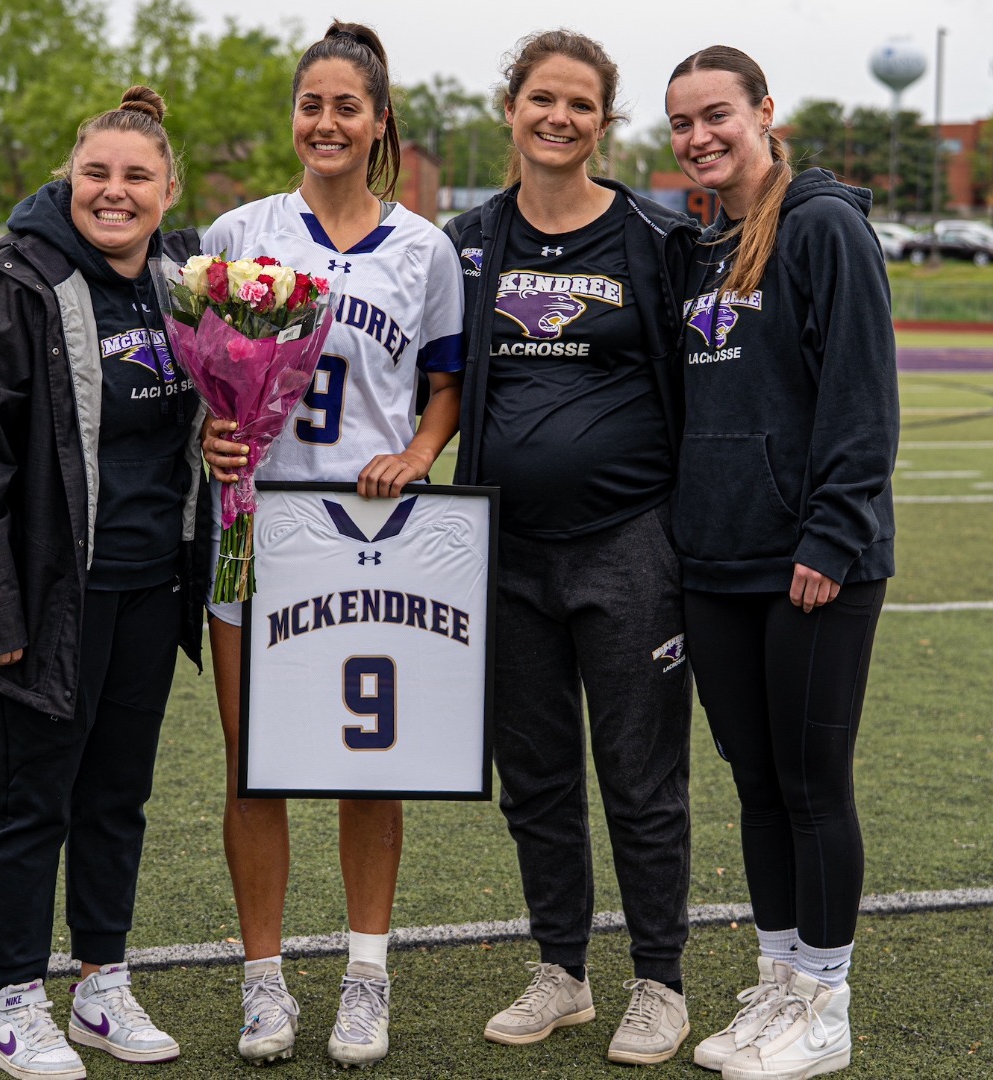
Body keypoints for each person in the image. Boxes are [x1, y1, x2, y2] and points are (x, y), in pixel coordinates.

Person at [0, 87, 209, 1080]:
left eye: (135, 176)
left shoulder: (185, 282)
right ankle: (14, 999)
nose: (113, 192)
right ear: (67, 176)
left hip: (145, 585)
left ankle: (102, 985)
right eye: (96, 173)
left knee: (119, 796)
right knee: (34, 800)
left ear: (168, 187)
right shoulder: (12, 284)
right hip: (46, 597)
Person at [197, 21, 464, 1068]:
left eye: (346, 105)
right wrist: (214, 432)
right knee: (252, 764)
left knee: (369, 762)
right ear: (294, 116)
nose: (326, 121)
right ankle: (264, 984)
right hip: (252, 525)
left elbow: (443, 389)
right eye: (312, 103)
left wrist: (420, 451)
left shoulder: (424, 248)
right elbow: (204, 381)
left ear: (378, 119)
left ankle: (365, 977)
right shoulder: (236, 232)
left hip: (371, 535)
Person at [442, 29, 699, 1068]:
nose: (558, 117)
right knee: (537, 774)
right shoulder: (465, 240)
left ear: (604, 121)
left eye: (580, 105)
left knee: (641, 774)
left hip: (628, 544)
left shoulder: (654, 235)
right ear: (511, 108)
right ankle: (563, 969)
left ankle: (659, 981)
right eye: (541, 98)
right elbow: (430, 380)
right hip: (503, 550)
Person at [664, 46, 898, 1080]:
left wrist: (833, 535)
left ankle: (827, 1000)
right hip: (716, 558)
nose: (701, 137)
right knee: (755, 783)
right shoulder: (705, 246)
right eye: (682, 124)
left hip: (812, 562)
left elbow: (860, 392)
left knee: (812, 783)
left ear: (765, 112)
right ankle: (777, 981)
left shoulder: (824, 226)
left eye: (718, 115)